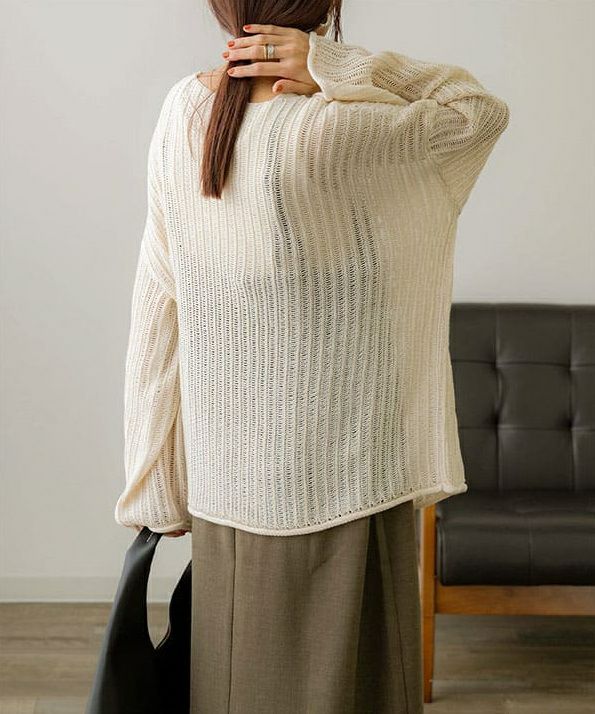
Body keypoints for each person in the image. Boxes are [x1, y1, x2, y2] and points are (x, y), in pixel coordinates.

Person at [113, 2, 509, 711]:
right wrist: (336, 63)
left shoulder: (182, 112)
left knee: (236, 683)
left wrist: (154, 478)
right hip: (348, 470)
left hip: (226, 479)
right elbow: (477, 111)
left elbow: (158, 303)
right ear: (323, 7)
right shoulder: (338, 125)